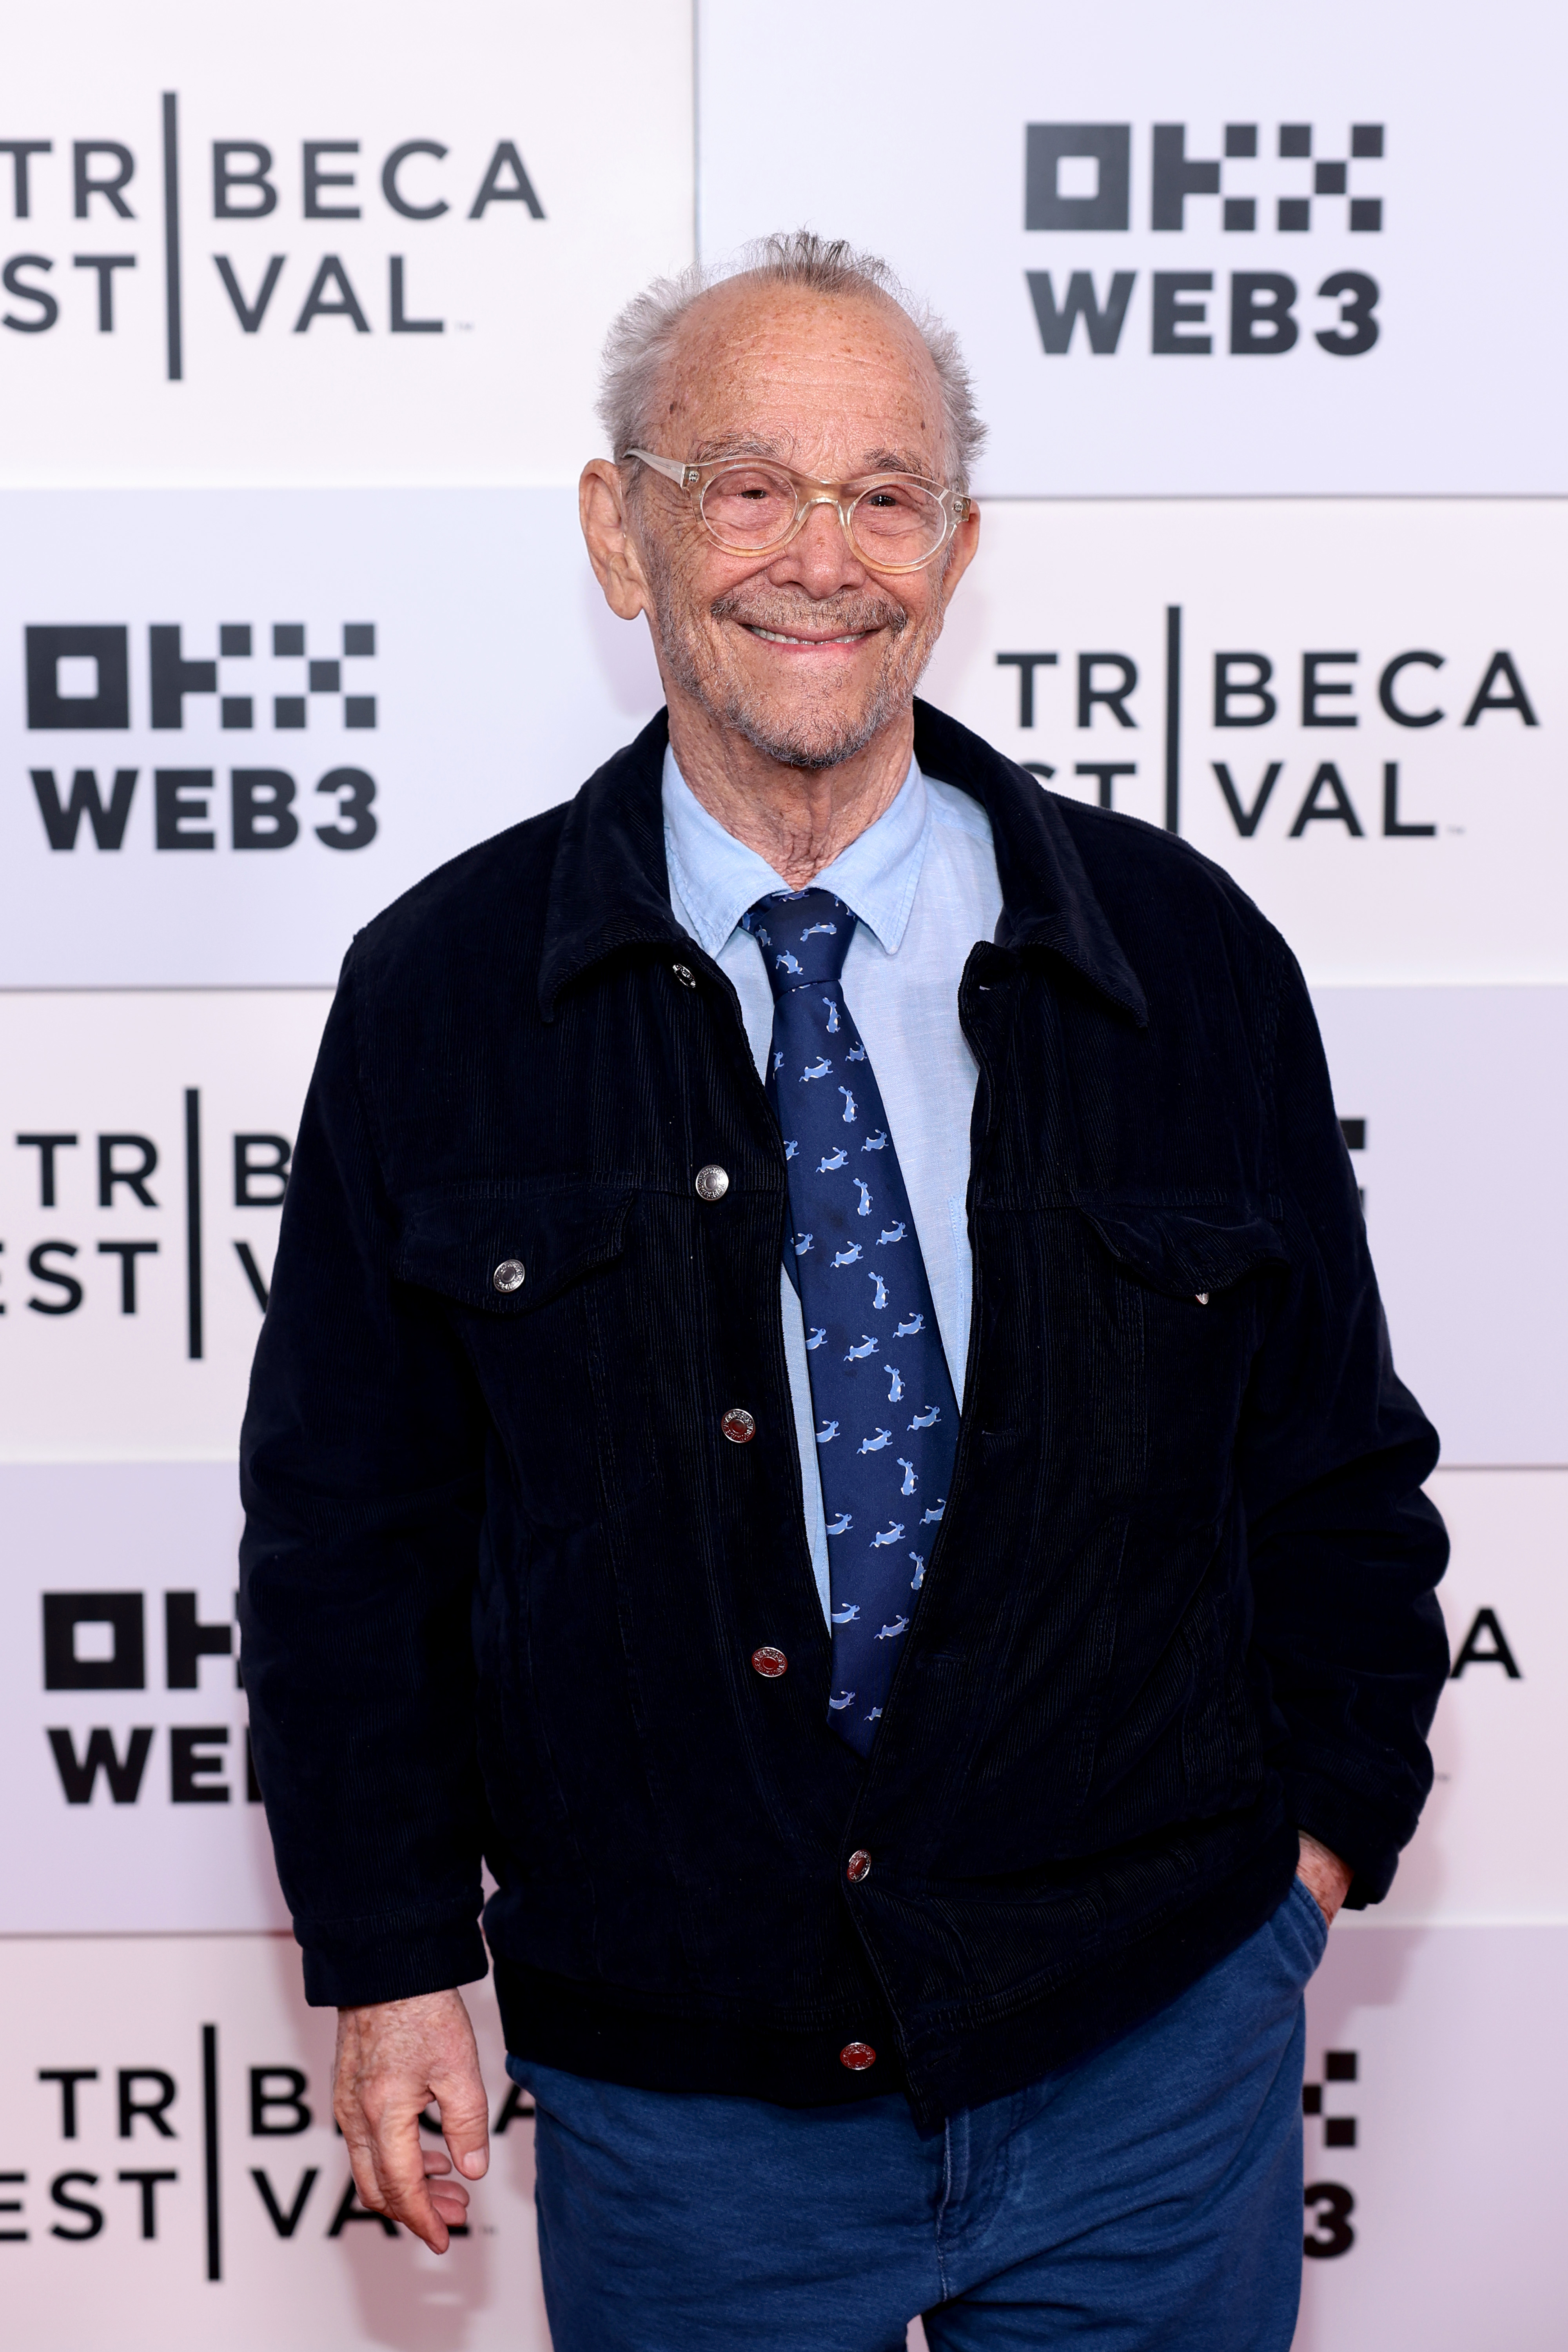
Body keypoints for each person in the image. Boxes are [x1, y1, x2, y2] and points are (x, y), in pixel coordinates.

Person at [239, 232, 1448, 2351]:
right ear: (623, 531)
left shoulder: (1187, 963)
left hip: (1152, 2066)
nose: (823, 555)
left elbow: (1336, 1470)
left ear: (957, 550)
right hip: (682, 2102)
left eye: (885, 494)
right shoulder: (441, 996)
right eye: (749, 485)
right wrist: (394, 1951)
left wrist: (1313, 1867)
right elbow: (354, 1536)